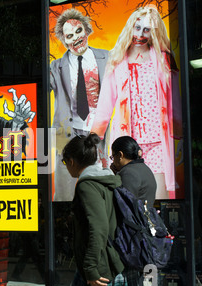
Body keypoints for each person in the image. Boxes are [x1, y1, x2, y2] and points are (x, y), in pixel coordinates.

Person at [91, 6, 183, 200]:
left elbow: (174, 99)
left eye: (147, 29)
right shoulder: (116, 59)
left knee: (158, 197)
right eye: (137, 27)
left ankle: (158, 230)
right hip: (128, 141)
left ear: (154, 31)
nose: (140, 34)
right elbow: (106, 103)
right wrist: (94, 140)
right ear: (130, 27)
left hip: (158, 139)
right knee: (129, 196)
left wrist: (179, 135)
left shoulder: (164, 58)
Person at [62, 133, 139, 286]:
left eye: (64, 162)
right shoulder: (106, 178)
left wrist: (90, 267)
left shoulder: (87, 186)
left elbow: (99, 228)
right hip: (115, 260)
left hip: (101, 267)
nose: (66, 167)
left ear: (72, 161)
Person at [50, 8, 109, 201]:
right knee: (64, 193)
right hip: (68, 135)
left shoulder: (107, 58)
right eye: (69, 35)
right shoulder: (55, 67)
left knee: (100, 191)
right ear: (64, 41)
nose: (75, 37)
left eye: (78, 31)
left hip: (97, 135)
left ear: (86, 30)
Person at [110, 136, 157, 208]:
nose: (113, 162)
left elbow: (123, 205)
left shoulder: (128, 173)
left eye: (113, 157)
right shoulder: (144, 168)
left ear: (120, 155)